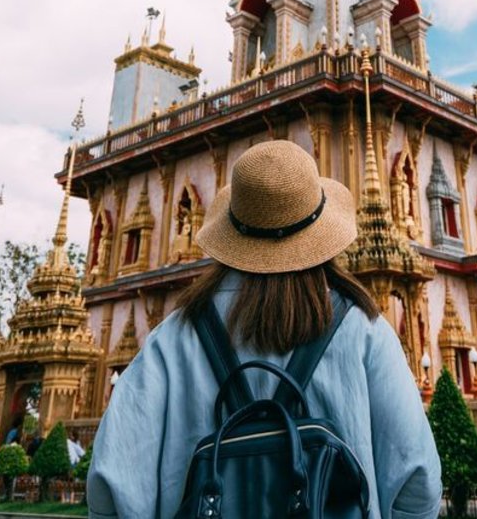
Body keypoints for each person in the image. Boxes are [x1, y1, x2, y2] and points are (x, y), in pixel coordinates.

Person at [88, 140, 442, 519]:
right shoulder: (364, 331)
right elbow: (416, 481)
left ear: (233, 230)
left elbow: (114, 484)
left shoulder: (174, 338)